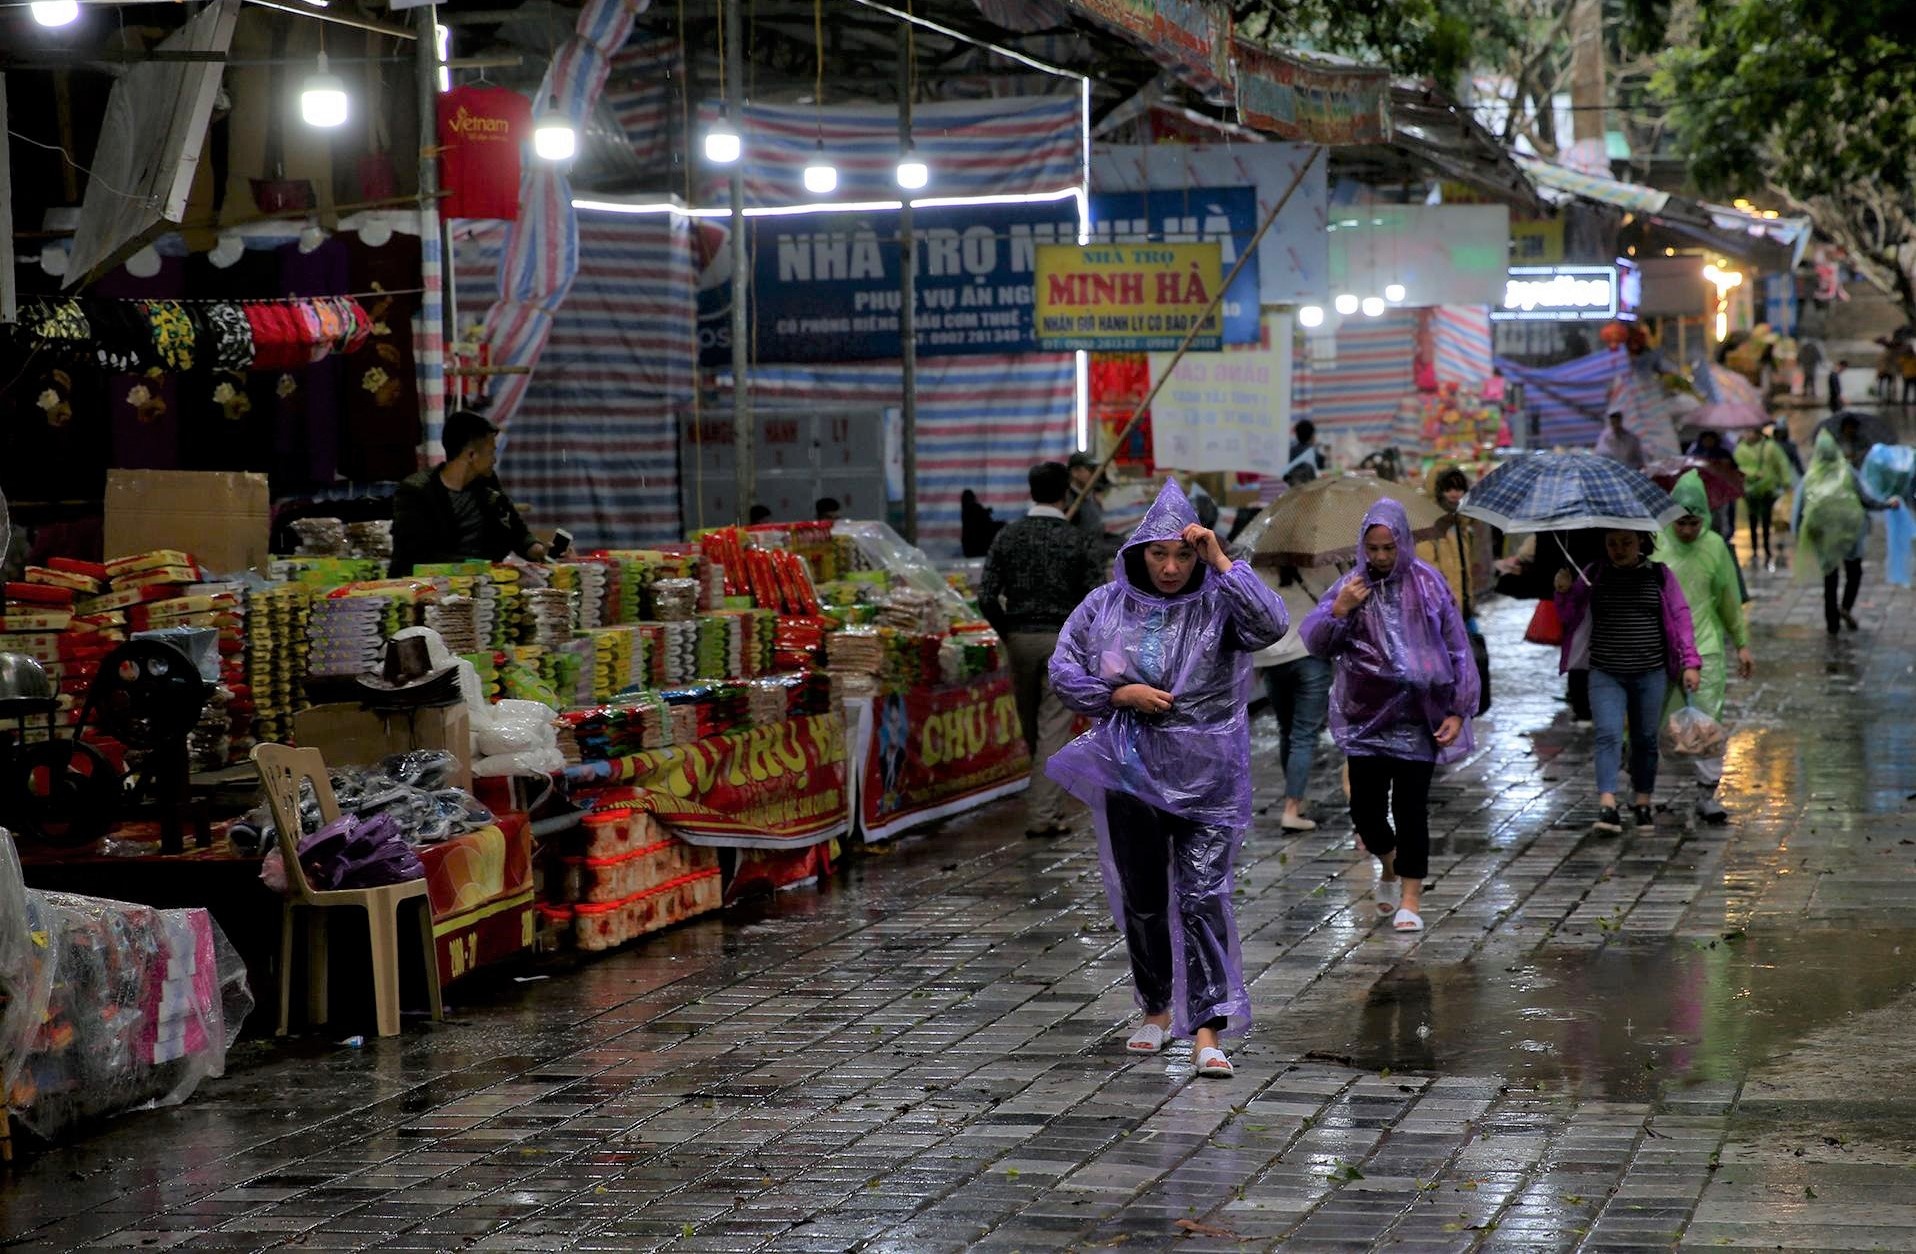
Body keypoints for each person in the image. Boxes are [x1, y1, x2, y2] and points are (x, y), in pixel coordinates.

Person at [1045, 481, 1287, 1077]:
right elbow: (1062, 665)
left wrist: (1223, 562)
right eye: (1159, 555)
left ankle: (1208, 1029)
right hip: (1132, 774)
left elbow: (1272, 624)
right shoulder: (1105, 604)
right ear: (1138, 553)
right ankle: (1155, 1008)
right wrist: (1116, 694)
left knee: (1203, 897)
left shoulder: (1220, 601)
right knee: (1146, 899)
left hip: (1209, 779)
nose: (1172, 567)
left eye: (1182, 555)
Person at [1301, 500, 1476, 935]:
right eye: (1373, 548)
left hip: (1419, 717)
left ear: (1402, 543)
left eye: (1388, 547)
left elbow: (1456, 647)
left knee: (1412, 809)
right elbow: (1318, 644)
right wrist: (1339, 610)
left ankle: (1411, 898)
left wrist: (1458, 708)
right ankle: (1389, 861)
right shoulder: (1351, 587)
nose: (1380, 557)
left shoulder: (1429, 585)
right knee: (1366, 814)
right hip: (1365, 720)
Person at [979, 463, 1104, 838]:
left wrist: (1008, 632)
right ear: (1065, 492)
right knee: (1052, 728)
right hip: (1061, 643)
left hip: (1018, 639)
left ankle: (1046, 805)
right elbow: (1095, 598)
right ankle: (1042, 815)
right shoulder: (1076, 539)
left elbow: (985, 595)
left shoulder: (1008, 536)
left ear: (1030, 490)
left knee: (1033, 725)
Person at [1553, 531, 1702, 835]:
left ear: (1641, 543)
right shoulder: (1594, 574)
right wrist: (1564, 591)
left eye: (1626, 543)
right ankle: (1607, 805)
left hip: (1651, 672)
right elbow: (1569, 618)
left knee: (1645, 739)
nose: (1619, 550)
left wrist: (1690, 662)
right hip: (1606, 672)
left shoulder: (1659, 575)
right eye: (1612, 543)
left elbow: (1681, 617)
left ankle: (1642, 801)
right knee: (1607, 734)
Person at [1654, 471, 1753, 825]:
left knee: (1708, 719)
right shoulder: (1655, 543)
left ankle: (1707, 792)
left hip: (1706, 645)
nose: (1687, 531)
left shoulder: (1714, 547)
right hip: (1660, 646)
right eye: (1680, 523)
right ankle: (1655, 788)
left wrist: (1741, 644)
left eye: (1694, 523)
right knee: (1660, 718)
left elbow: (1728, 599)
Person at [390, 409, 548, 577]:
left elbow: (516, 530)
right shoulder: (416, 491)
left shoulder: (487, 486)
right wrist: (474, 570)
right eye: (491, 452)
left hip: (482, 586)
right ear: (471, 455)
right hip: (431, 586)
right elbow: (418, 555)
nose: (494, 459)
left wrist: (537, 549)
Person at [1794, 430, 1902, 634]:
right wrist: (1887, 504)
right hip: (1851, 531)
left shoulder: (1811, 476)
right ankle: (1846, 606)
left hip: (1825, 536)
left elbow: (1800, 508)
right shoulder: (1847, 472)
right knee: (1854, 572)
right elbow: (1866, 499)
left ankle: (1832, 623)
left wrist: (1800, 533)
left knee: (1830, 579)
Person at [1251, 566, 1333, 833]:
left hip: (1272, 661)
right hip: (1309, 656)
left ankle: (1295, 798)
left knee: (1287, 730)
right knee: (1304, 734)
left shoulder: (1259, 573)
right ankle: (1292, 807)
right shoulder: (1320, 568)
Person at [1732, 424, 1793, 571]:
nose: (1747, 435)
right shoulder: (1740, 449)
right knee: (1752, 520)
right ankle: (1754, 550)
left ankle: (1766, 548)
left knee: (1766, 520)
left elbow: (1782, 463)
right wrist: (1751, 474)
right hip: (1749, 490)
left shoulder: (1770, 447)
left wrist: (1786, 482)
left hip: (1768, 488)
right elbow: (1737, 467)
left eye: (1750, 431)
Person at [1418, 466, 1475, 615]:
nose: (1455, 494)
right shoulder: (1426, 527)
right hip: (1442, 611)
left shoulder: (1460, 523)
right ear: (1436, 491)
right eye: (1448, 488)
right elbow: (1428, 575)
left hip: (1462, 607)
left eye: (1459, 488)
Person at [1066, 452, 1108, 549]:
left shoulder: (1093, 495)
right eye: (1090, 469)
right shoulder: (1069, 501)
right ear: (1074, 472)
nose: (1094, 474)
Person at [959, 489, 1003, 558]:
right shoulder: (974, 509)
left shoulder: (966, 512)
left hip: (969, 551)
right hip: (978, 549)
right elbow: (985, 524)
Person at [1285, 419, 1329, 486]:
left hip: (1294, 490)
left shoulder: (1291, 451)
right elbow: (1321, 468)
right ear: (1312, 436)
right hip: (1310, 491)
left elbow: (1286, 475)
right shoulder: (1313, 453)